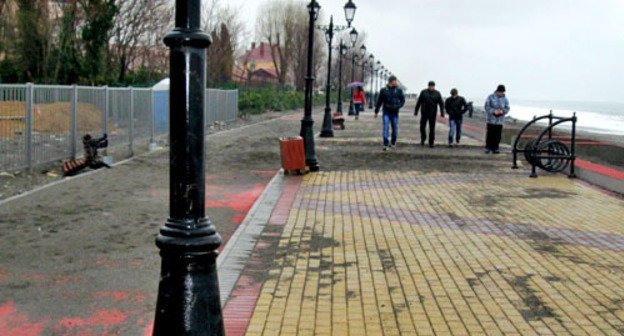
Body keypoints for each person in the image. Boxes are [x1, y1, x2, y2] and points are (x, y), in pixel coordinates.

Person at [375, 76, 405, 150]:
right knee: (386, 127)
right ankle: (385, 143)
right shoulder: (384, 90)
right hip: (386, 112)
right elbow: (379, 101)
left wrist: (398, 106)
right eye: (395, 81)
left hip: (395, 112)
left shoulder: (398, 90)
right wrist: (376, 111)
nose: (396, 82)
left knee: (394, 128)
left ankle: (393, 142)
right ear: (391, 81)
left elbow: (402, 100)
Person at [415, 81, 445, 147]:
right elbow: (419, 102)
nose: (431, 87)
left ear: (434, 86)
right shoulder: (423, 92)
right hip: (424, 112)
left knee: (432, 128)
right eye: (430, 86)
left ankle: (431, 142)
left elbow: (441, 103)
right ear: (428, 86)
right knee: (422, 127)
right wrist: (416, 111)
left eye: (432, 86)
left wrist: (442, 112)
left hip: (433, 113)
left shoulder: (437, 93)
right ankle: (423, 138)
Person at [484, 84, 510, 154]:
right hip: (491, 120)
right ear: (497, 91)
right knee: (490, 134)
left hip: (500, 121)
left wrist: (502, 111)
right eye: (500, 92)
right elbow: (487, 106)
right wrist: (493, 111)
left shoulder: (505, 99)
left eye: (502, 92)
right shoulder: (490, 97)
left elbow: (507, 108)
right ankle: (488, 147)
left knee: (497, 135)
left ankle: (495, 148)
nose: (501, 93)